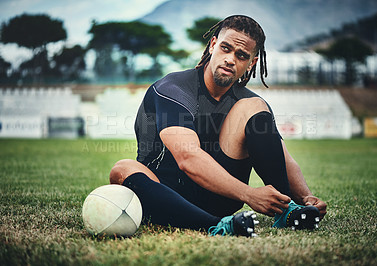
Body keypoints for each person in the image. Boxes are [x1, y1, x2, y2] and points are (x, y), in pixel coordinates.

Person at [110, 15, 327, 237]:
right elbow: (188, 158)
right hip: (165, 195)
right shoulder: (173, 89)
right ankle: (217, 226)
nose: (231, 59)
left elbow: (283, 158)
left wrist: (305, 198)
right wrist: (250, 194)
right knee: (122, 169)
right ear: (213, 45)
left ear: (251, 63)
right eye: (226, 48)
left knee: (254, 106)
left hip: (218, 196)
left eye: (241, 55)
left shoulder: (248, 104)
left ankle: (286, 211)